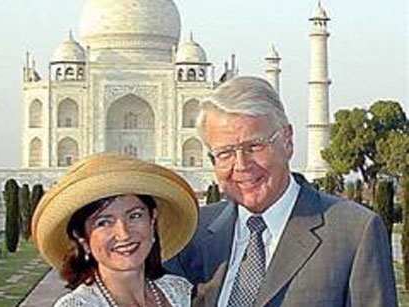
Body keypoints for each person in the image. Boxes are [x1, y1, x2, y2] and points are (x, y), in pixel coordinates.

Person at [164, 76, 397, 306]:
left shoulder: (352, 232)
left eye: (254, 146)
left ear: (287, 140)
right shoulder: (192, 232)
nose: (242, 165)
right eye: (225, 153)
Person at [31, 154, 199, 306]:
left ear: (152, 221)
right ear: (83, 239)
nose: (124, 233)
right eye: (104, 223)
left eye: (135, 216)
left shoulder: (177, 292)